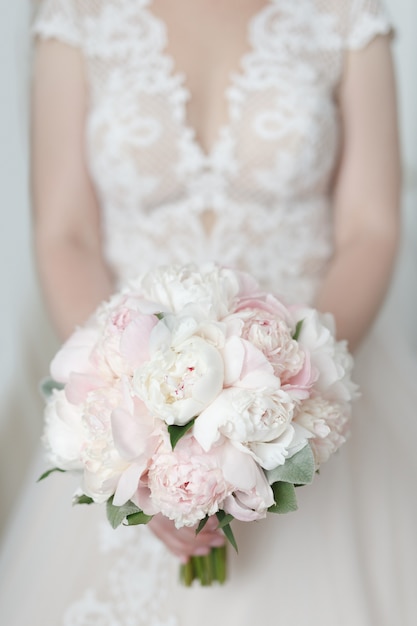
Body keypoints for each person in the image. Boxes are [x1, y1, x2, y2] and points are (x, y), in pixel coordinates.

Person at [0, 0, 416, 624]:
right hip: (131, 395)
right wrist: (138, 428)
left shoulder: (345, 14)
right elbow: (67, 235)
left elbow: (371, 229)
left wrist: (282, 403)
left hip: (313, 382)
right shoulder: (78, 15)